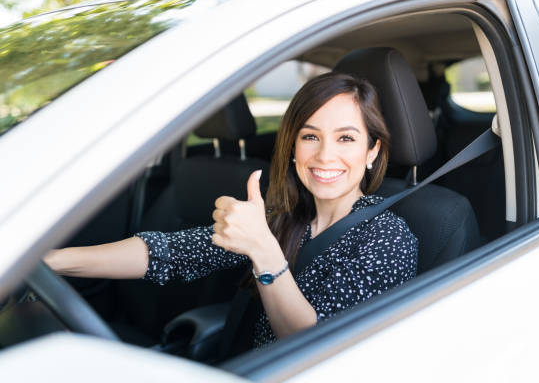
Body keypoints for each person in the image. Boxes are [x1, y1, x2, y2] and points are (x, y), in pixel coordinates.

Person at [45, 72, 418, 350]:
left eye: (346, 138)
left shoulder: (388, 238)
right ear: (292, 146)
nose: (324, 155)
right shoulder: (282, 214)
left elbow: (316, 345)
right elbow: (171, 254)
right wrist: (53, 262)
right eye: (310, 136)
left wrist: (264, 251)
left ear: (372, 151)